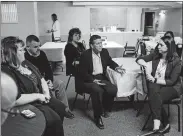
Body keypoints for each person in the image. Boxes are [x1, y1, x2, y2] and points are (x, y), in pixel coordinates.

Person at [1, 36, 66, 136]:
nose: (24, 52)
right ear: (12, 53)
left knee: (61, 107)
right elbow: (15, 99)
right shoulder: (6, 71)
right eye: (21, 50)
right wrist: (39, 96)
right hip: (29, 102)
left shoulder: (25, 62)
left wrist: (46, 93)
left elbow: (41, 77)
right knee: (54, 120)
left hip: (41, 95)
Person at [136, 36, 182, 135]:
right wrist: (146, 65)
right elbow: (139, 59)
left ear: (169, 47)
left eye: (161, 45)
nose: (158, 47)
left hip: (172, 87)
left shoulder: (177, 61)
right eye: (159, 44)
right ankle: (158, 128)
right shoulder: (156, 55)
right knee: (153, 89)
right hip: (157, 85)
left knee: (154, 93)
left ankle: (162, 126)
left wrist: (154, 79)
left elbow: (172, 81)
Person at [78, 35, 125, 129]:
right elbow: (81, 72)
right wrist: (92, 80)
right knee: (97, 90)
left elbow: (110, 61)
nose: (100, 45)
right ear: (91, 45)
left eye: (101, 43)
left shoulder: (104, 52)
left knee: (113, 89)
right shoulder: (85, 55)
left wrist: (116, 67)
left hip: (101, 77)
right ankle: (97, 117)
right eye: (98, 43)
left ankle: (105, 108)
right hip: (89, 79)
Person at [25, 35, 74, 119]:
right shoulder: (25, 57)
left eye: (39, 46)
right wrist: (43, 84)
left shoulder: (41, 53)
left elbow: (48, 69)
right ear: (28, 47)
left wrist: (49, 80)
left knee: (60, 83)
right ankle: (57, 110)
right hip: (35, 84)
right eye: (35, 47)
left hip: (44, 79)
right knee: (50, 93)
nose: (38, 48)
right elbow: (29, 78)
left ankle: (66, 109)